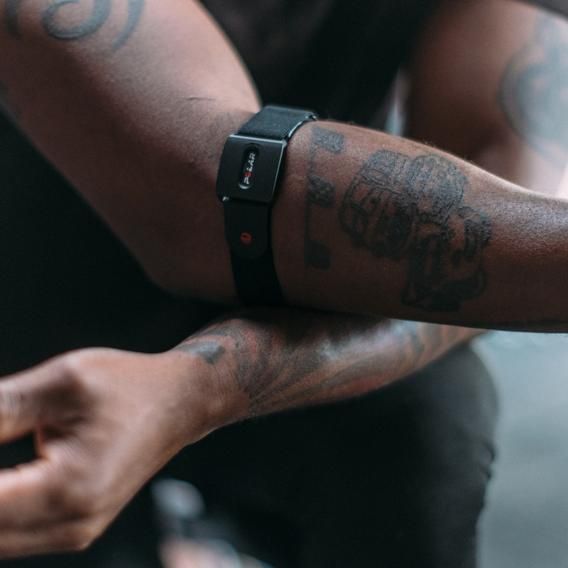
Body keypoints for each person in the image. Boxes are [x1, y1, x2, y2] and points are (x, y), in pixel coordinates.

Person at [0, 0, 565, 566]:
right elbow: (207, 196)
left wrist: (200, 386)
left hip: (295, 294)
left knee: (431, 429)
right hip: (33, 325)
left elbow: (498, 219)